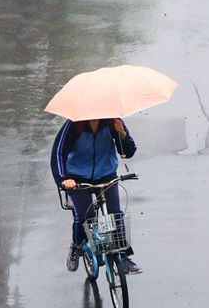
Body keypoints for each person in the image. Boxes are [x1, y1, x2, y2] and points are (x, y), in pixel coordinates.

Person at [50, 117, 141, 275]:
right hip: (78, 178)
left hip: (106, 174)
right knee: (86, 216)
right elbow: (58, 153)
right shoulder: (74, 124)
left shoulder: (112, 121)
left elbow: (128, 152)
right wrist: (63, 179)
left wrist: (122, 133)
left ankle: (123, 256)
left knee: (115, 214)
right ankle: (77, 246)